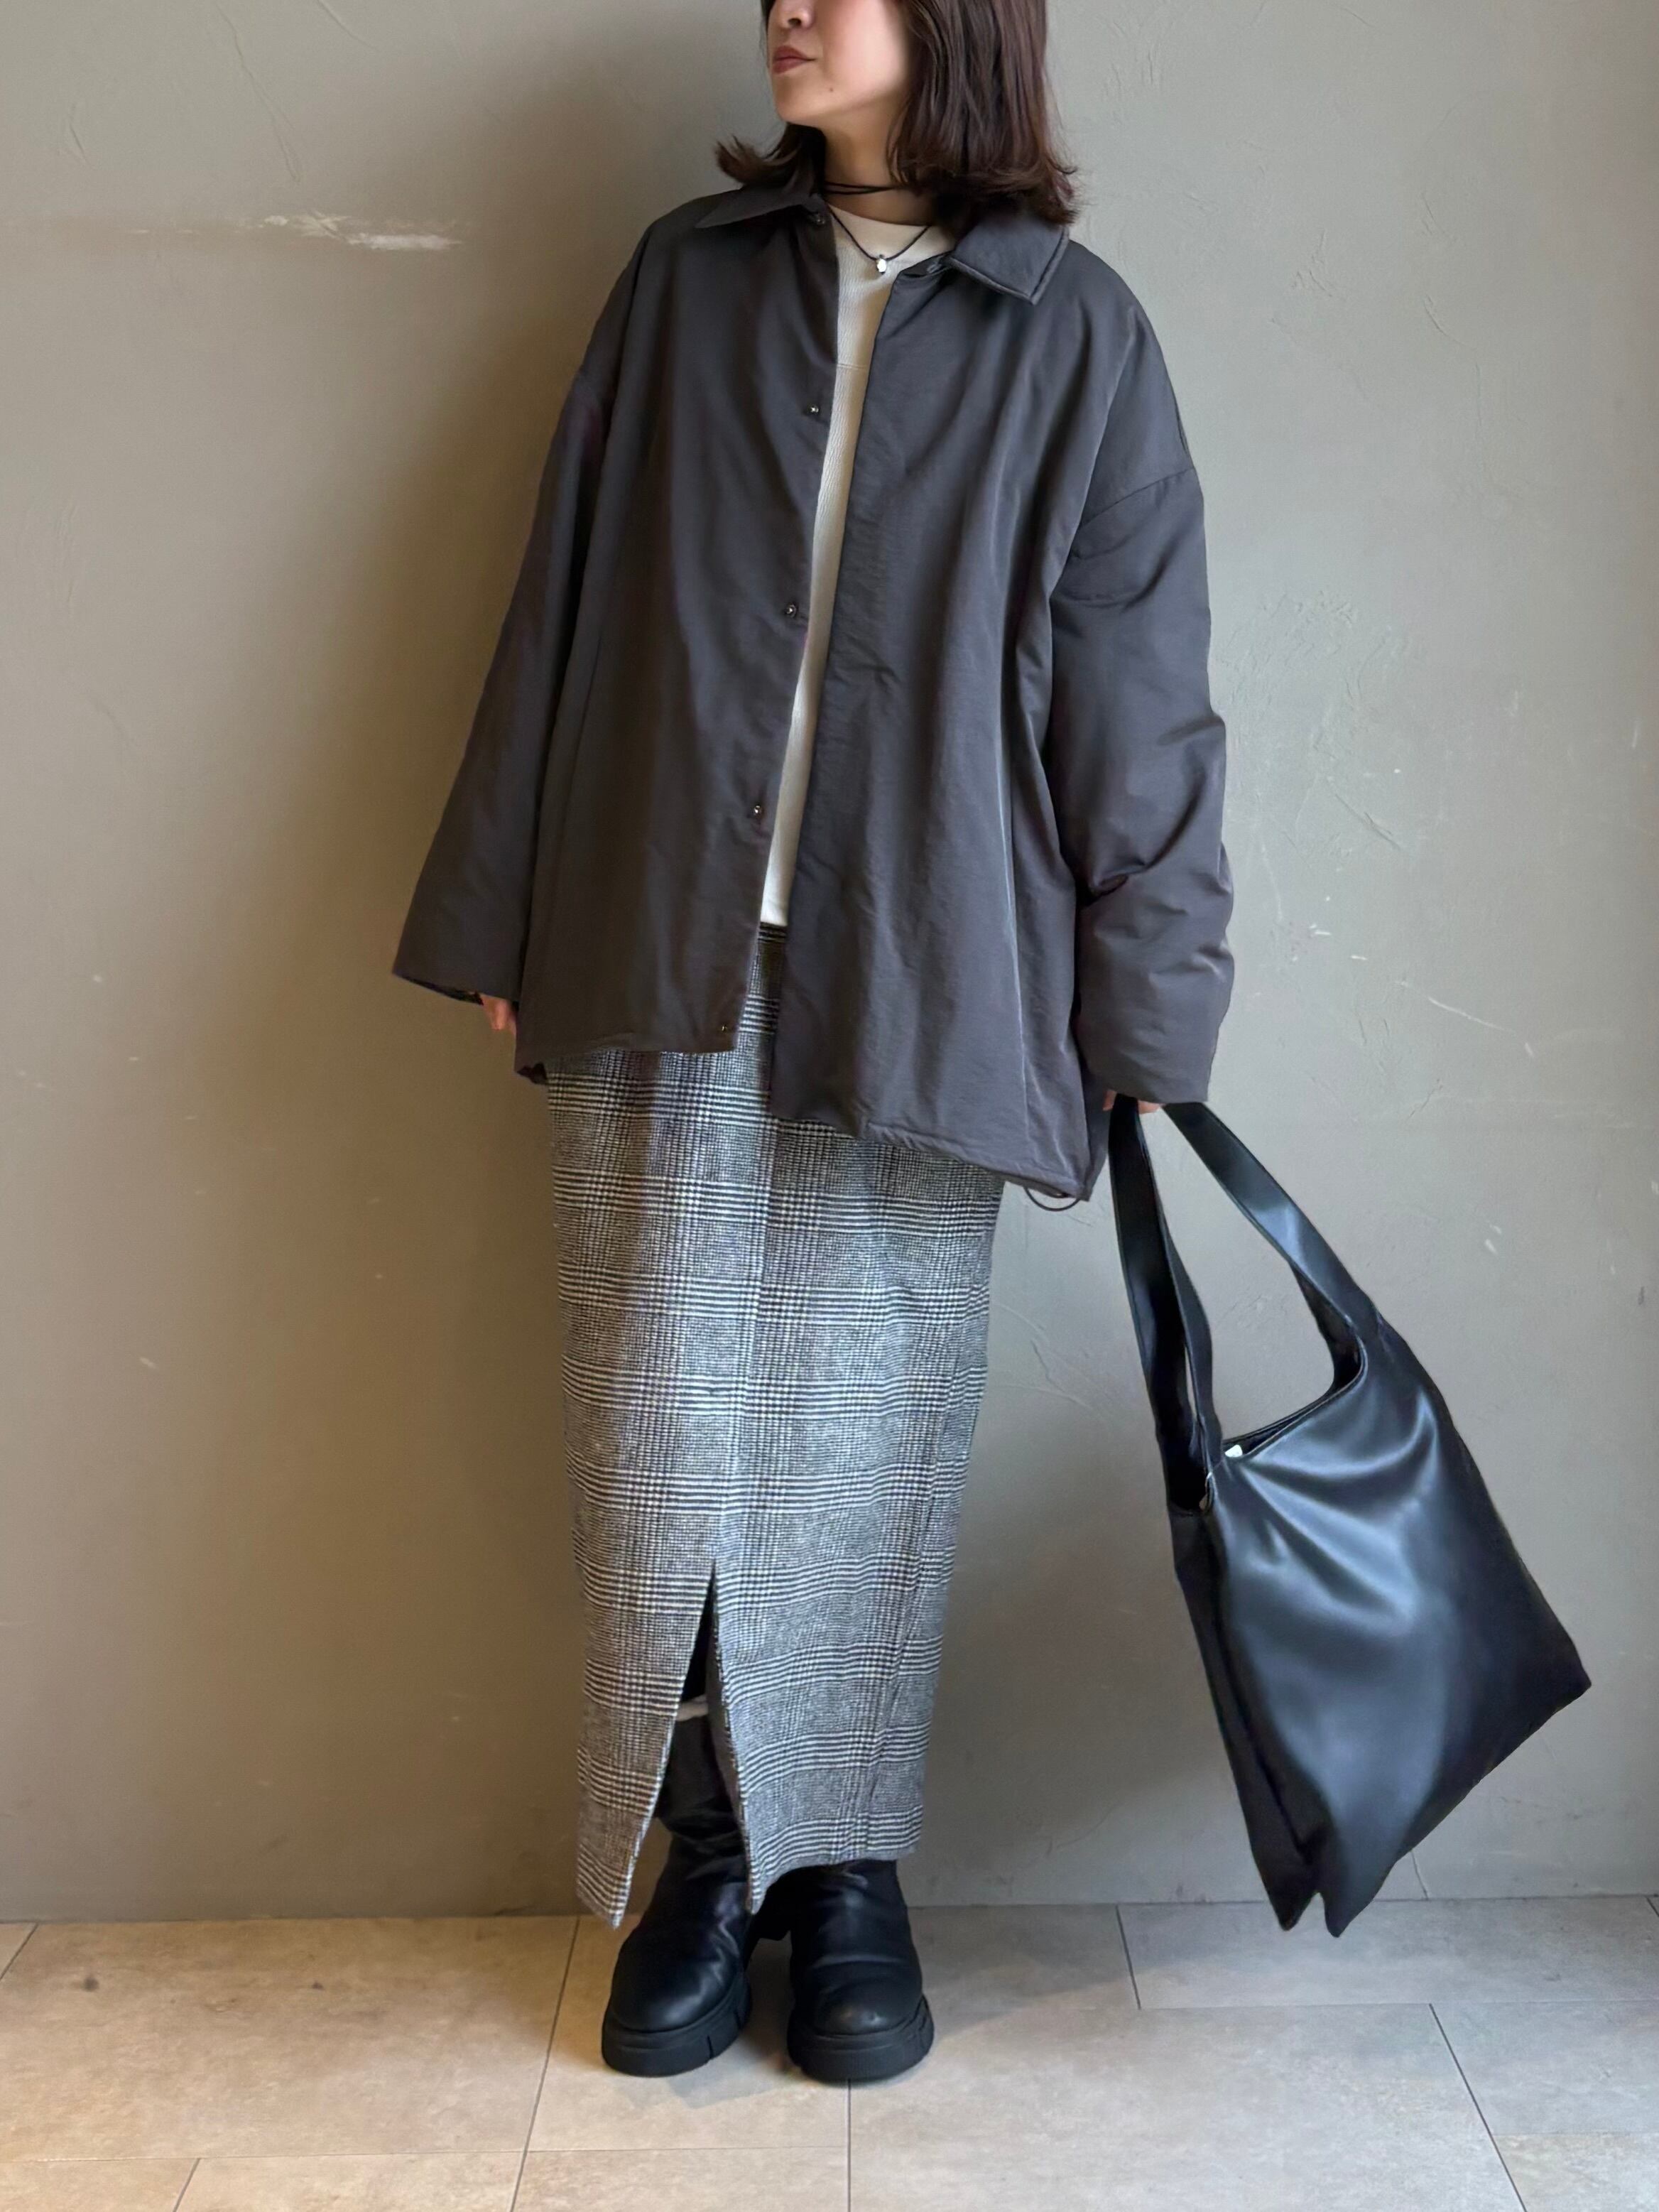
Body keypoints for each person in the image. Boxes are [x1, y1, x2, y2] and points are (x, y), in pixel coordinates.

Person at [391, 0, 1234, 2087]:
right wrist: (501, 903)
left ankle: (842, 1870)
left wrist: (1149, 1000)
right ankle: (701, 1856)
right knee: (656, 1424)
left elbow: (1142, 699)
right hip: (652, 928)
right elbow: (563, 592)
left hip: (932, 961)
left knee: (868, 1441)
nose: (788, 4)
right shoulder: (684, 284)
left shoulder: (1075, 334)